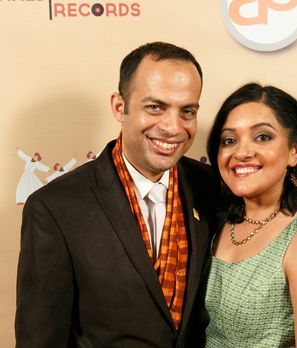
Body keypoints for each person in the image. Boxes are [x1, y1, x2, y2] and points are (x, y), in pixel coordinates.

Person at [15, 42, 220, 348]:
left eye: (187, 111)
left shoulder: (212, 187)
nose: (173, 127)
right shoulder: (55, 207)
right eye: (155, 107)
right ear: (119, 107)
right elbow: (40, 339)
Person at [201, 82, 297, 347]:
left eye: (263, 137)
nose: (242, 152)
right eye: (229, 140)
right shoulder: (219, 221)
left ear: (296, 150)